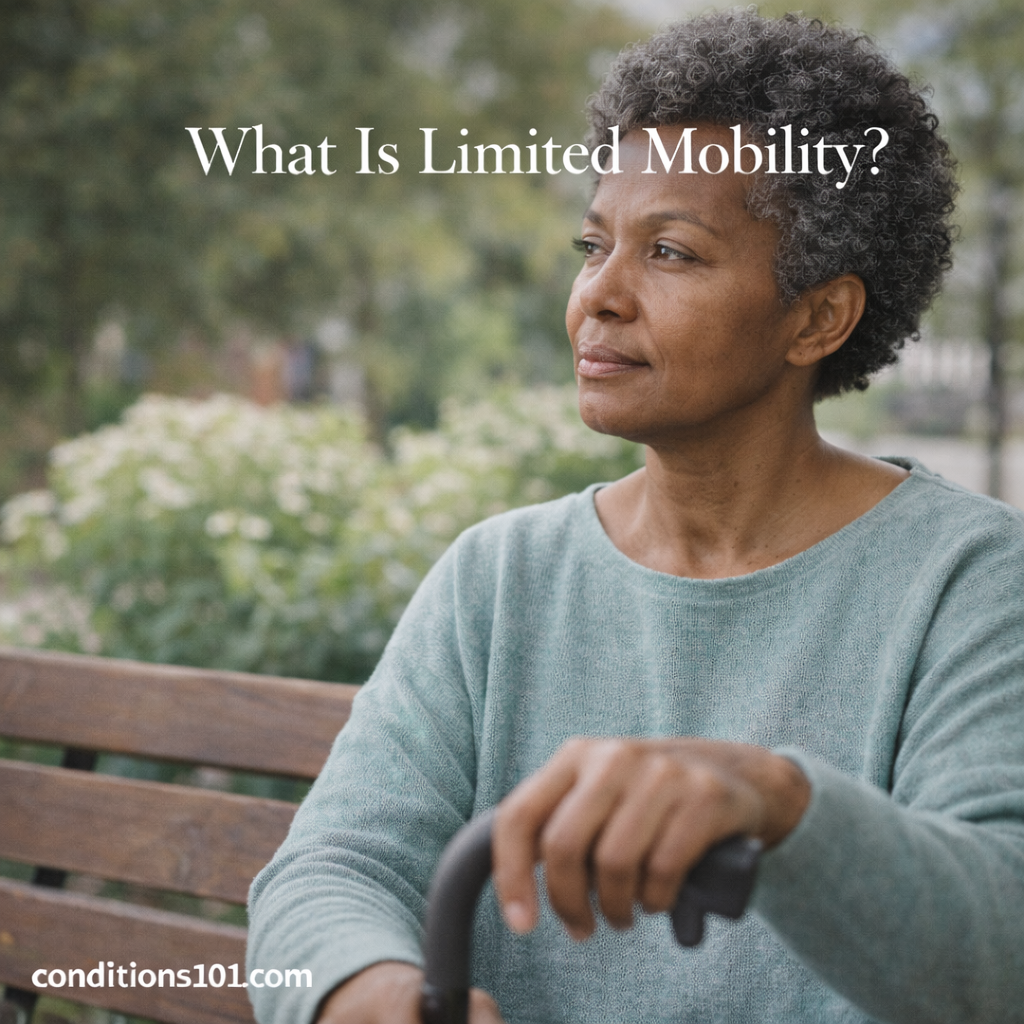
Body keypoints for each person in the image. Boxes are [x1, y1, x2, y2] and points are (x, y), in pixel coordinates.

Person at [247, 11, 1024, 1024]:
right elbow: (330, 867)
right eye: (593, 244)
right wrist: (365, 989)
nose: (598, 296)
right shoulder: (500, 576)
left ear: (817, 317)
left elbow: (1000, 952)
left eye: (671, 252)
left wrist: (778, 805)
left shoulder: (970, 580)